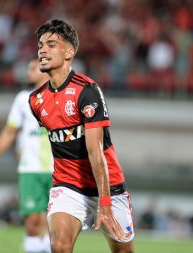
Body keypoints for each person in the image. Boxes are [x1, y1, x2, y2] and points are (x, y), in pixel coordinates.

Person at [28, 19, 134, 253]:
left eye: (51, 44)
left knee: (123, 251)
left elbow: (95, 151)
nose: (42, 50)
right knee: (59, 246)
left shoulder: (87, 91)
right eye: (40, 45)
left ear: (69, 52)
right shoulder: (35, 101)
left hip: (108, 187)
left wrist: (104, 203)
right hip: (68, 186)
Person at [0, 59, 53, 253]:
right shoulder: (22, 99)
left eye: (32, 67)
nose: (28, 72)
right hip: (30, 170)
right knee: (33, 223)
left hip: (59, 171)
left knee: (58, 226)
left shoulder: (64, 98)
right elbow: (8, 133)